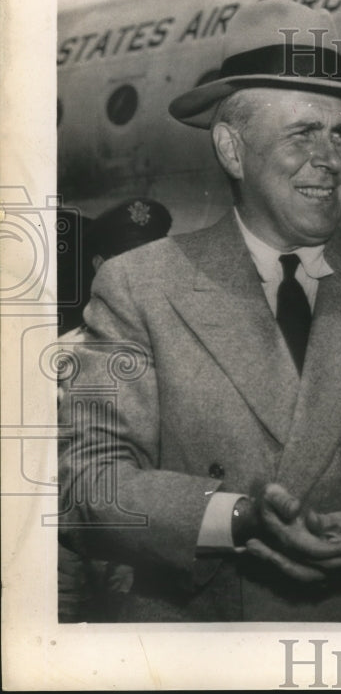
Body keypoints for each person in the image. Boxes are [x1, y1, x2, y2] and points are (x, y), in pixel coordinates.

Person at [58, 0, 341, 622]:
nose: (330, 158)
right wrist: (237, 520)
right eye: (302, 132)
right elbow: (93, 480)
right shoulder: (140, 285)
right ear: (232, 150)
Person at [58, 197, 172, 622]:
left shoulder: (186, 355)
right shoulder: (61, 354)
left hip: (146, 537)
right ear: (99, 265)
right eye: (129, 262)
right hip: (69, 538)